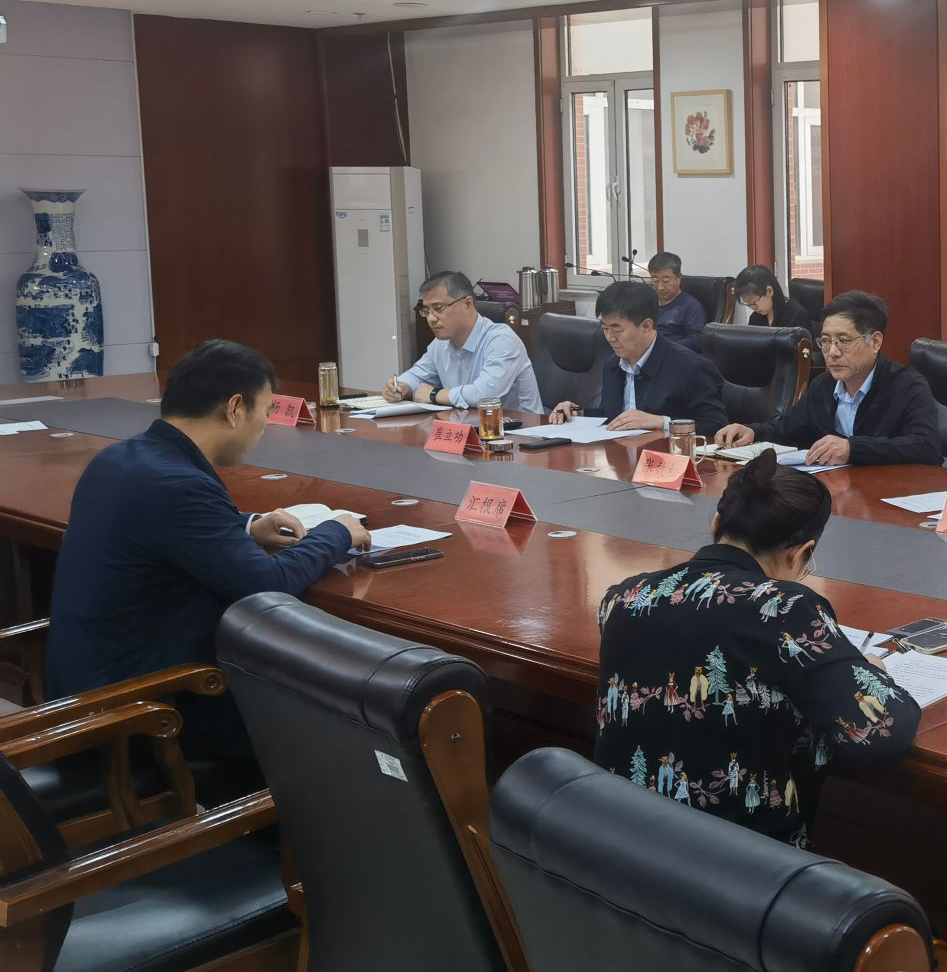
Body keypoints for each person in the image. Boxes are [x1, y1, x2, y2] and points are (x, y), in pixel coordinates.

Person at [48, 340, 370, 763]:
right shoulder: (180, 485)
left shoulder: (119, 460)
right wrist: (337, 532)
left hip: (87, 690)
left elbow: (164, 528)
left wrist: (247, 525)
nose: (265, 425)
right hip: (144, 713)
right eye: (265, 410)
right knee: (338, 720)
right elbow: (268, 584)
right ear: (235, 408)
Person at [593, 454, 919, 848]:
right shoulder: (785, 607)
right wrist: (872, 669)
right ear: (800, 552)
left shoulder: (624, 596)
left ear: (716, 524)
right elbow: (882, 731)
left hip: (618, 846)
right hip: (740, 863)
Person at [712, 290, 939, 466]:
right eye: (826, 341)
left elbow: (926, 446)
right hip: (837, 493)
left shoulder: (907, 385)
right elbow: (788, 427)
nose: (832, 352)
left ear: (875, 342)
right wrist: (753, 432)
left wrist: (852, 448)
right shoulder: (824, 385)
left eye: (844, 341)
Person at [550, 278, 728, 434]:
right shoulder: (613, 365)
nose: (610, 337)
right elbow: (612, 416)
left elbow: (715, 425)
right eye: (605, 328)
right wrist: (576, 413)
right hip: (623, 455)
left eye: (617, 329)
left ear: (646, 326)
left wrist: (661, 422)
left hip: (667, 457)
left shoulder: (689, 366)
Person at [384, 270, 544, 416]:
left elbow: (485, 395)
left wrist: (434, 394)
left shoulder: (502, 340)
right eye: (426, 311)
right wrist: (401, 387)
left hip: (521, 432)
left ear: (468, 303)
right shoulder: (441, 344)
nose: (431, 319)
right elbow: (416, 375)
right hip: (468, 427)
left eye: (439, 308)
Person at [647, 252, 707, 352]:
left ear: (678, 278)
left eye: (666, 281)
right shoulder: (647, 302)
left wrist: (664, 347)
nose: (660, 287)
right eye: (655, 280)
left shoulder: (691, 306)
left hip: (673, 354)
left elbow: (697, 340)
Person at [735, 264, 815, 339]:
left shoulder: (798, 315)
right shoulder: (755, 318)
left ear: (769, 291)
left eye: (754, 303)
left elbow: (804, 347)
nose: (753, 308)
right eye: (748, 304)